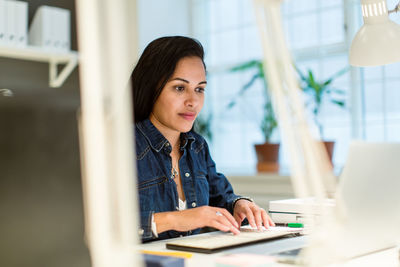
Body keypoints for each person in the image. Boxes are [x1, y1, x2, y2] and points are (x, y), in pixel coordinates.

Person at [131, 36, 275, 242]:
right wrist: (176, 219)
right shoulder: (122, 146)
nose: (193, 101)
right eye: (180, 88)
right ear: (151, 87)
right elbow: (103, 224)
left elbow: (221, 197)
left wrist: (239, 205)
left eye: (199, 89)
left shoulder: (197, 146)